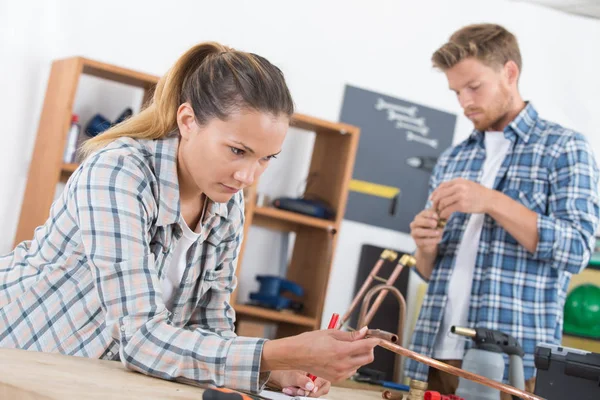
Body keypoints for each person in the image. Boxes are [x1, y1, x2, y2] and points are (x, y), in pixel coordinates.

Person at [0, 42, 380, 397]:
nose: (248, 176)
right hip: (20, 357)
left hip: (90, 377)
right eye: (237, 150)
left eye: (266, 158)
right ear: (187, 120)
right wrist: (275, 353)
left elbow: (209, 328)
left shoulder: (227, 201)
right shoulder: (118, 172)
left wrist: (274, 371)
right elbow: (142, 339)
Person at [405, 24, 600, 397]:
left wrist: (491, 201)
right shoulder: (453, 159)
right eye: (456, 92)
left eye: (474, 87)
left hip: (514, 363)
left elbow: (577, 249)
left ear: (510, 73)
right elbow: (432, 273)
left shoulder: (565, 148)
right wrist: (425, 246)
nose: (464, 102)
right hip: (435, 356)